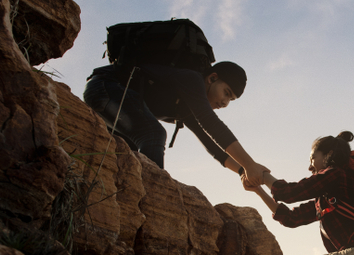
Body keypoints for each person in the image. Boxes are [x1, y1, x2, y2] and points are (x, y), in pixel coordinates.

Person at [82, 60, 270, 182]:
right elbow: (212, 124)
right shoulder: (192, 79)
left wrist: (243, 171)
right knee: (153, 134)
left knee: (128, 155)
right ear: (212, 78)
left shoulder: (186, 106)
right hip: (105, 87)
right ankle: (154, 200)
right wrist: (249, 164)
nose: (225, 103)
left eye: (231, 100)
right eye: (226, 93)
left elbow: (212, 146)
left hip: (113, 101)